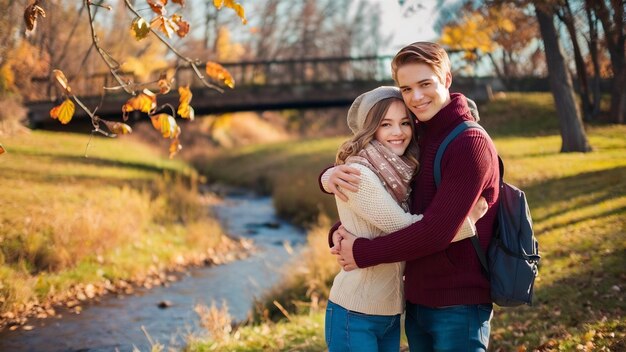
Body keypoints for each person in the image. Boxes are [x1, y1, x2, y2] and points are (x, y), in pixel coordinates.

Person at [323, 42, 501, 351]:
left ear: (446, 79)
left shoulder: (468, 143)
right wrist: (328, 179)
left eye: (425, 84)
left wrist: (362, 252)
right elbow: (389, 197)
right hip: (416, 302)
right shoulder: (420, 137)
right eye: (406, 89)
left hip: (457, 302)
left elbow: (433, 232)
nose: (416, 97)